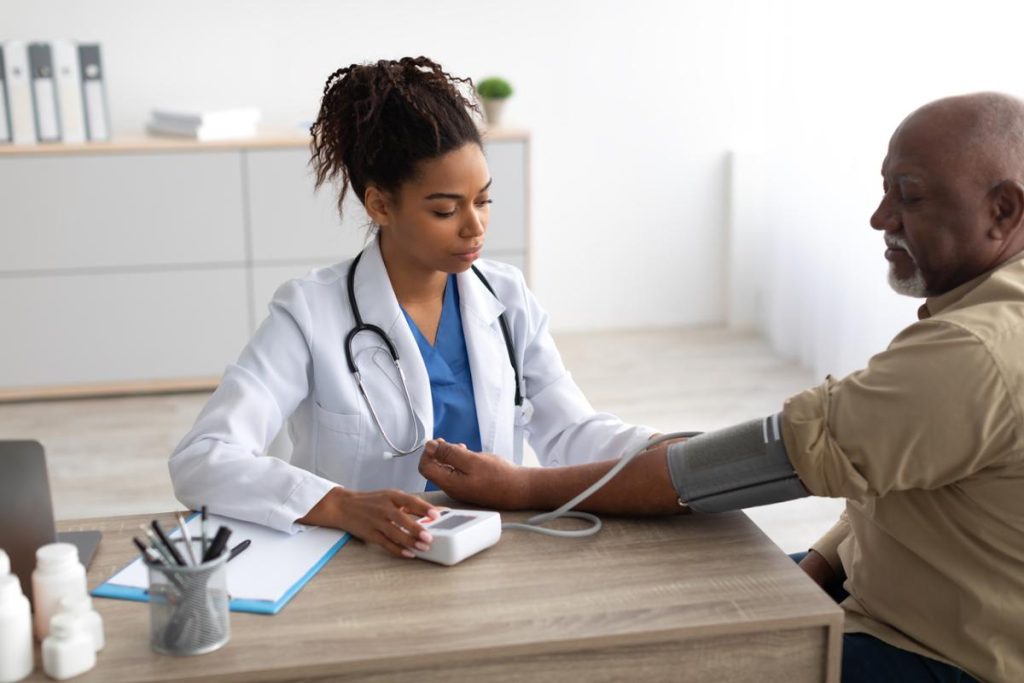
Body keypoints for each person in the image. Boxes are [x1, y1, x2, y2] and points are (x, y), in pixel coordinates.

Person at [420, 92, 1024, 682]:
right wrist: (815, 565)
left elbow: (759, 461)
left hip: (938, 652)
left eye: (909, 196)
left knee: (644, 646)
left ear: (1004, 210)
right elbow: (889, 477)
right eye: (885, 188)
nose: (879, 218)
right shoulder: (989, 313)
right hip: (890, 593)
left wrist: (524, 486)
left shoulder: (975, 350)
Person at [168, 57, 654, 560]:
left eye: (482, 201)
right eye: (445, 210)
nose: (475, 227)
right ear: (380, 206)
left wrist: (670, 451)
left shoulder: (506, 299)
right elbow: (204, 459)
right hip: (358, 565)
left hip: (490, 555)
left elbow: (572, 430)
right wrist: (338, 505)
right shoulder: (310, 312)